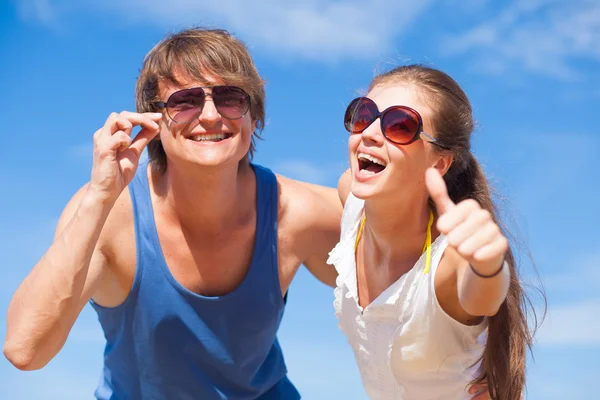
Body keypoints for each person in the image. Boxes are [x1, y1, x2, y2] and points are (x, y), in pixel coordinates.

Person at [3, 27, 343, 399]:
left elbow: (404, 258)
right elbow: (25, 350)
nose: (211, 116)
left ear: (254, 116)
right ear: (153, 122)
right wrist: (100, 196)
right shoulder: (110, 215)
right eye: (185, 101)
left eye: (230, 98)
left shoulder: (294, 212)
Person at [328, 64, 536, 400]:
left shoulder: (448, 262)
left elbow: (483, 293)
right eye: (363, 114)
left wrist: (488, 265)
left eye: (400, 125)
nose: (368, 133)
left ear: (439, 163)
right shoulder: (351, 198)